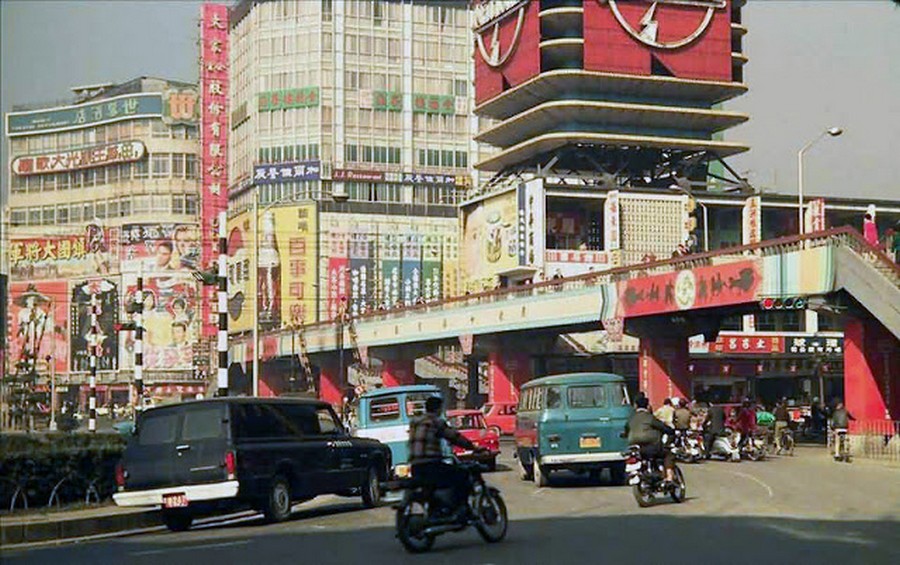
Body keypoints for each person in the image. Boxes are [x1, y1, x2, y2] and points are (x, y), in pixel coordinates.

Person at [409, 396, 484, 519]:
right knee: (462, 475)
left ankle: (438, 508)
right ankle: (460, 508)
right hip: (432, 465)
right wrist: (474, 448)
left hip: (415, 466)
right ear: (438, 409)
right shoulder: (436, 422)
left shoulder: (415, 422)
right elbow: (454, 437)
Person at [625, 396, 675, 484]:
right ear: (648, 406)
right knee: (668, 454)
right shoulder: (650, 417)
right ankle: (669, 478)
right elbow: (663, 427)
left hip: (635, 447)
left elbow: (626, 430)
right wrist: (670, 431)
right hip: (652, 446)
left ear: (635, 406)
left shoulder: (630, 419)